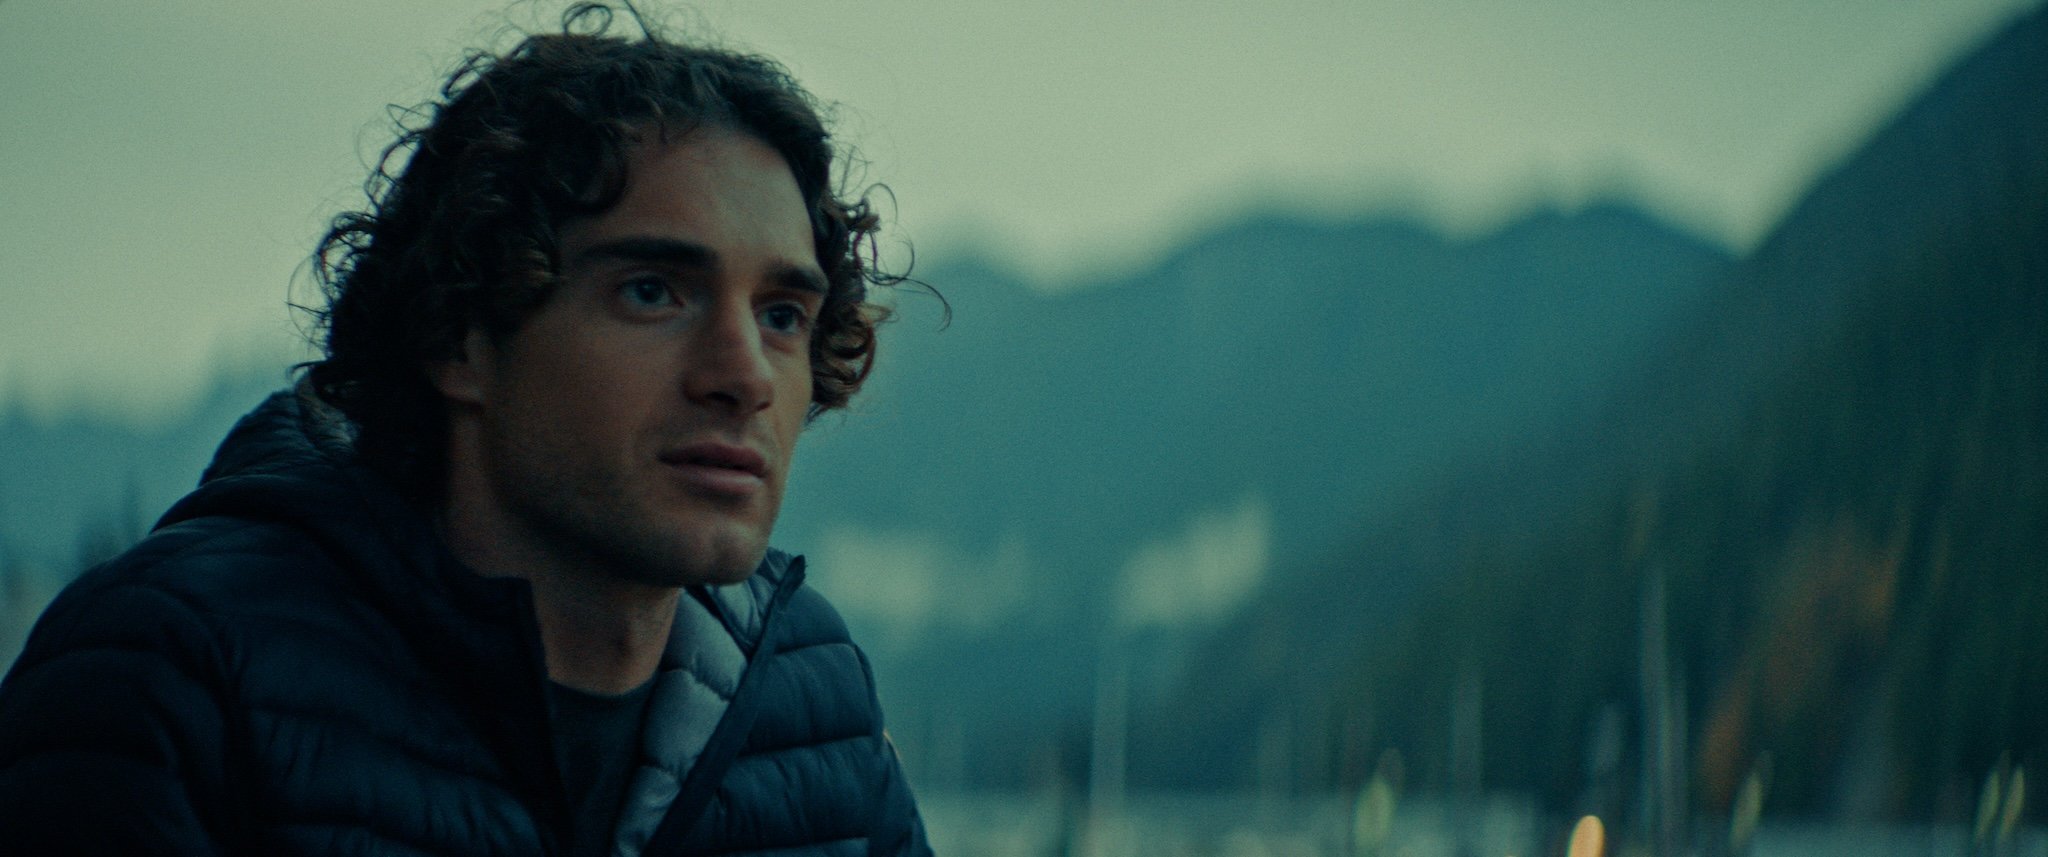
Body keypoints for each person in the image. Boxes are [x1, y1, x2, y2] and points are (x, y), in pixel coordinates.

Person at [0, 5, 932, 855]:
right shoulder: (173, 675)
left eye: (781, 315)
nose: (741, 377)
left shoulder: (811, 698)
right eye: (653, 292)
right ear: (458, 335)